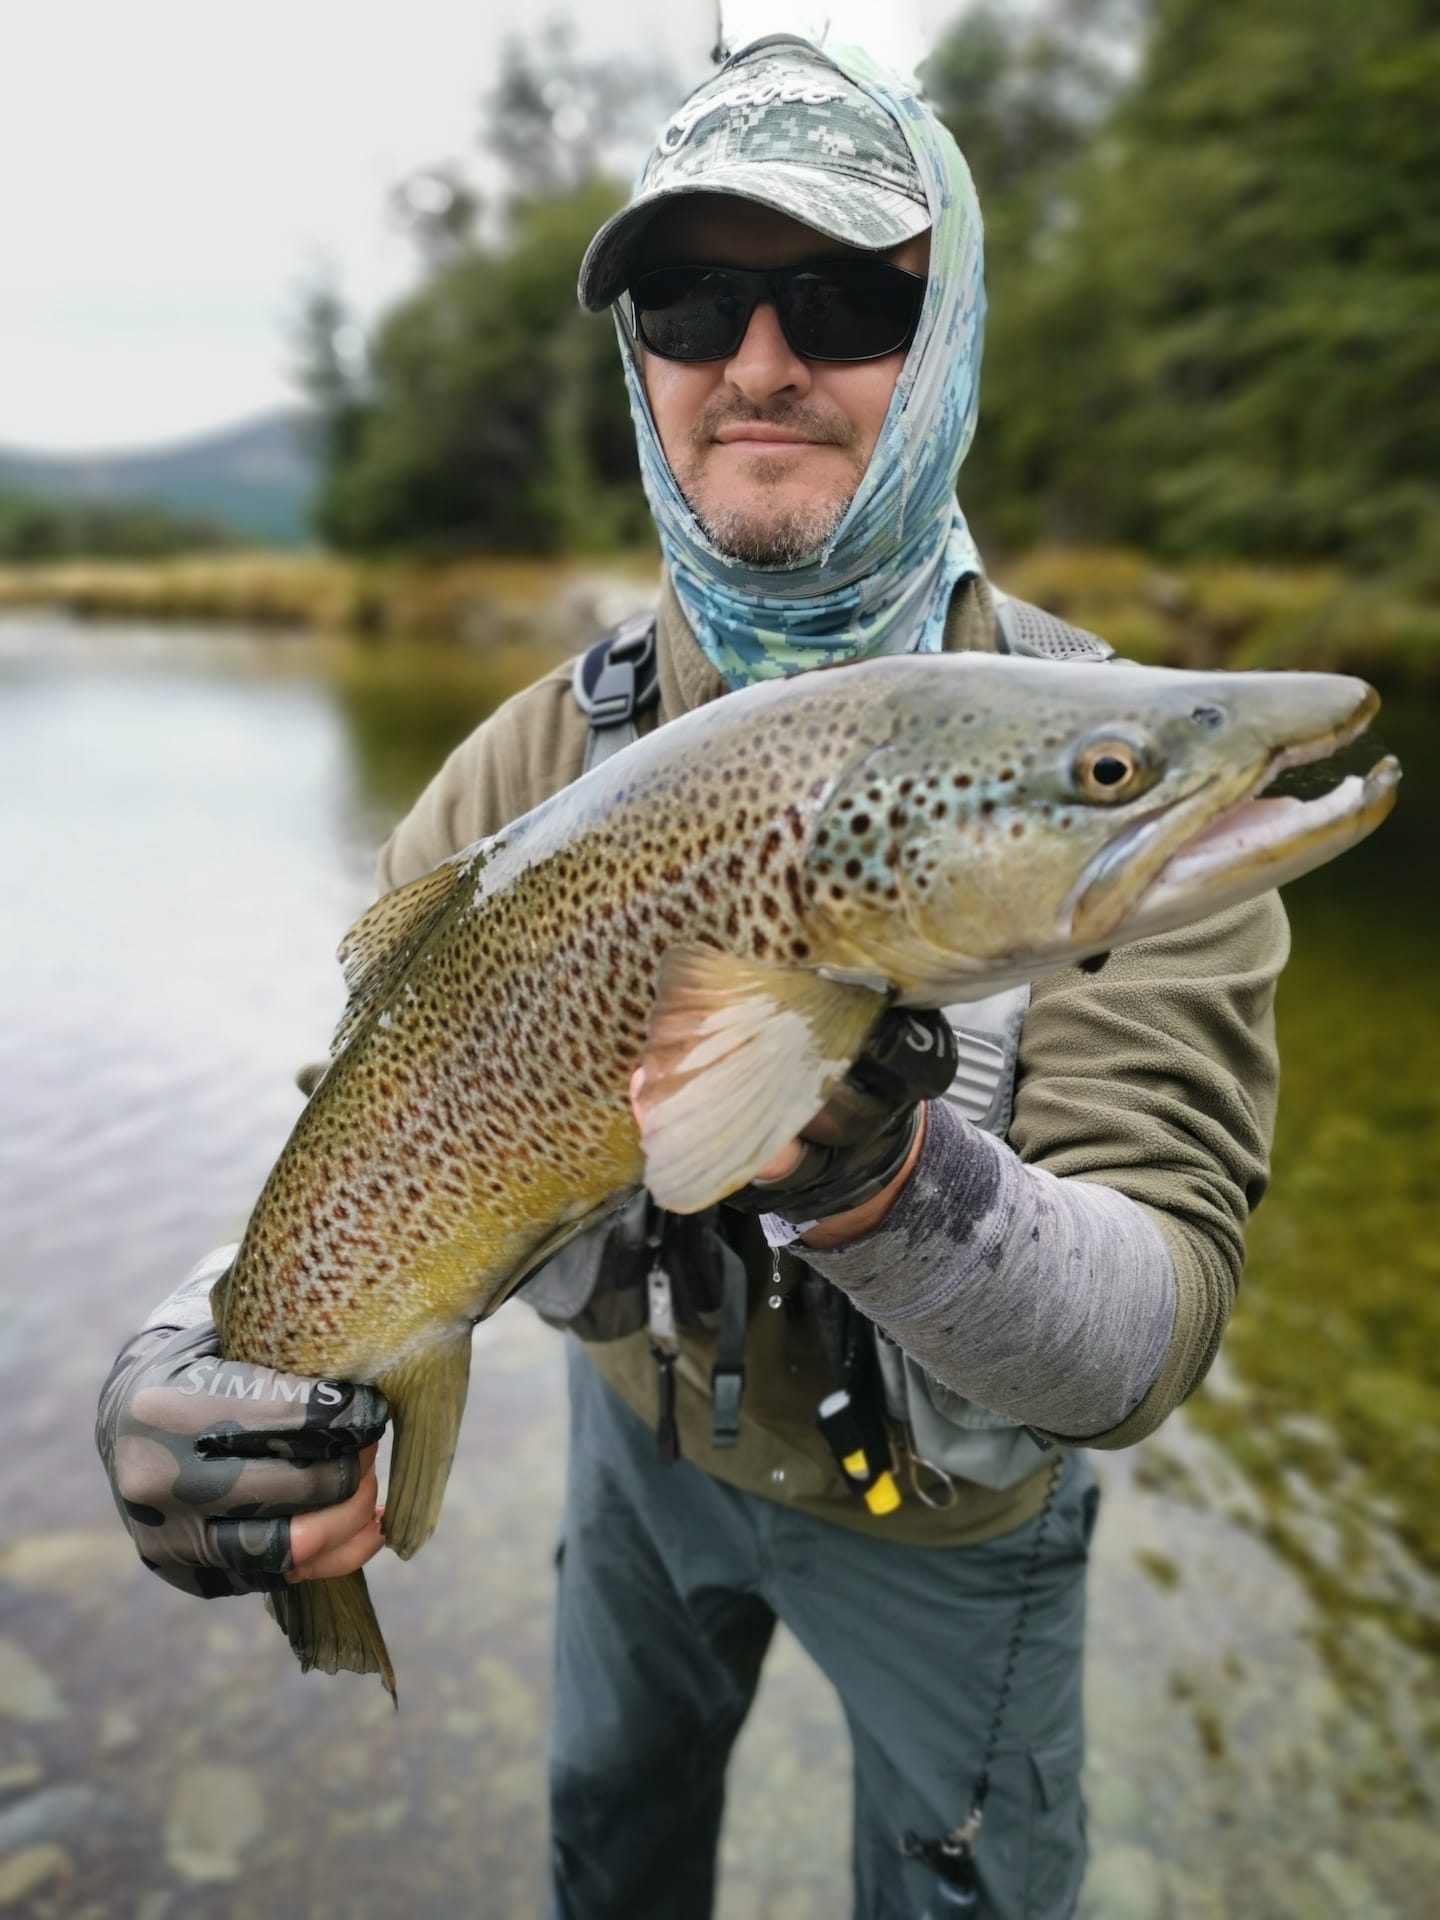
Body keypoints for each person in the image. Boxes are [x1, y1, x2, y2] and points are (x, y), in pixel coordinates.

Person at [96, 34, 1288, 1919]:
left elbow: (1152, 1331)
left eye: (838, 295)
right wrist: (193, 1366)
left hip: (957, 1518)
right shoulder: (522, 771)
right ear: (640, 358)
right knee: (607, 1840)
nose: (756, 360)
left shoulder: (1109, 769)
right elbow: (378, 1127)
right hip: (644, 1456)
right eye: (690, 297)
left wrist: (879, 1176)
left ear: (949, 330)